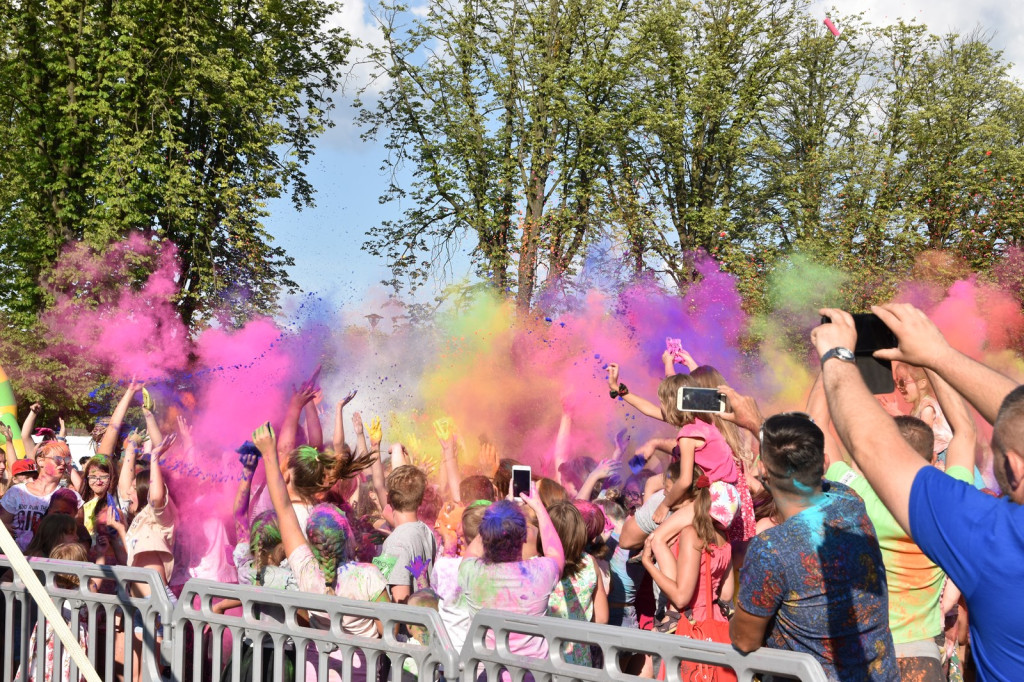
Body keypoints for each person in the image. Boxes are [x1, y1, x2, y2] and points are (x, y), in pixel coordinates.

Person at [812, 304, 1024, 678]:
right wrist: (935, 359)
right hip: (923, 655)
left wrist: (833, 357)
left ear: (1016, 467)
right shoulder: (960, 506)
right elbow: (964, 432)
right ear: (929, 457)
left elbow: (823, 430)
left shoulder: (987, 535)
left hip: (869, 653)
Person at [729, 414, 898, 681]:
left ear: (762, 470)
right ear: (825, 464)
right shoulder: (850, 500)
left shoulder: (770, 549)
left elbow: (744, 640)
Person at [454, 493, 565, 663]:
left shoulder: (470, 572)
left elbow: (474, 550)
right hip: (532, 672)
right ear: (524, 537)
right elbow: (555, 552)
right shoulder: (540, 573)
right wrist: (538, 507)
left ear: (483, 535)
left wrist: (497, 518)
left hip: (484, 671)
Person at [546, 500, 608, 666]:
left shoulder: (538, 565)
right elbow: (602, 618)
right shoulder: (590, 562)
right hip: (579, 654)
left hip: (545, 652)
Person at [1, 440, 83, 550]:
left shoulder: (71, 498)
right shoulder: (17, 492)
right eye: (58, 459)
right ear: (40, 461)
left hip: (52, 557)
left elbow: (78, 534)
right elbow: (3, 525)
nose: (63, 463)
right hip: (17, 557)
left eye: (66, 460)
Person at [379, 464, 437, 603]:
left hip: (405, 617)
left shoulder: (396, 544)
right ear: (420, 499)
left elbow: (400, 603)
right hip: (423, 612)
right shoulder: (425, 530)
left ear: (388, 499)